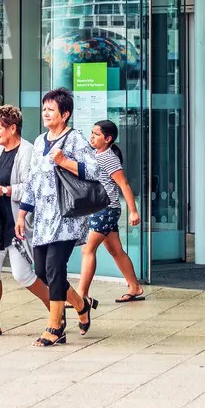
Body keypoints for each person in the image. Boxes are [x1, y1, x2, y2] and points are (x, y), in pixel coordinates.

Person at [14, 87, 97, 347]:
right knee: (42, 271)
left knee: (54, 268)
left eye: (51, 109)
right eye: (44, 109)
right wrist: (22, 213)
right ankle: (81, 305)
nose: (46, 113)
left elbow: (93, 169)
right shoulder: (39, 141)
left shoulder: (75, 140)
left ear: (65, 114)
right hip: (42, 220)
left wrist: (64, 161)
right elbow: (32, 181)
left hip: (66, 217)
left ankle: (55, 326)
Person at [0, 105, 50, 337]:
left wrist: (5, 190)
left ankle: (55, 311)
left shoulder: (27, 151)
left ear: (12, 128)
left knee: (22, 274)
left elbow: (31, 187)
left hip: (16, 222)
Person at [75, 119, 147, 308]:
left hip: (106, 210)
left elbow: (124, 184)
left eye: (97, 134)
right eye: (92, 133)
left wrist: (133, 211)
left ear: (108, 139)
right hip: (101, 209)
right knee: (115, 250)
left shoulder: (108, 157)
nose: (92, 136)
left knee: (87, 249)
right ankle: (135, 287)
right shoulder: (94, 154)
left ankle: (81, 295)